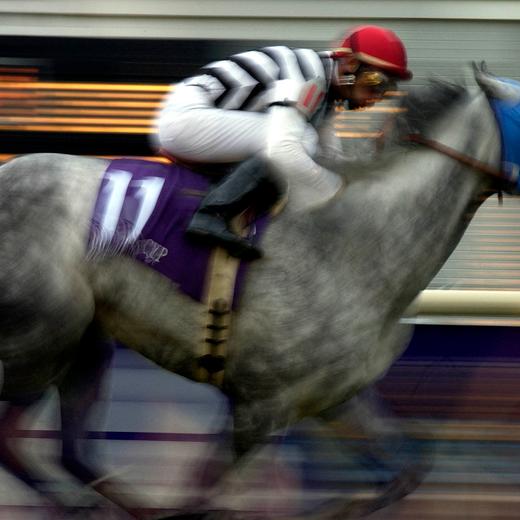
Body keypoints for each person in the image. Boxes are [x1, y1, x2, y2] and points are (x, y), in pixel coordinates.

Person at [155, 25, 412, 260]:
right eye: (376, 82)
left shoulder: (329, 93)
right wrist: (334, 194)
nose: (378, 96)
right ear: (349, 64)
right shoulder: (308, 75)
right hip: (186, 118)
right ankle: (210, 214)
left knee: (304, 145)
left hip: (201, 118)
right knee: (299, 140)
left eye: (387, 87)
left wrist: (363, 176)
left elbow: (332, 159)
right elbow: (282, 149)